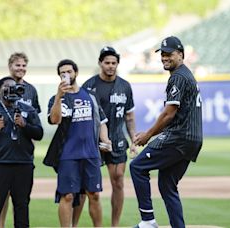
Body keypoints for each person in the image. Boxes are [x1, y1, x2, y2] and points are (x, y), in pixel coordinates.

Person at [130, 36, 203, 228]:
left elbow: (169, 114)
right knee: (167, 185)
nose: (164, 57)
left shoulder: (178, 77)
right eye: (162, 54)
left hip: (179, 137)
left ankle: (148, 221)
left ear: (180, 54)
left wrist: (147, 135)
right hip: (192, 139)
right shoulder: (186, 74)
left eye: (168, 54)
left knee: (137, 167)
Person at [43, 59, 112, 227]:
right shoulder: (56, 98)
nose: (66, 75)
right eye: (62, 73)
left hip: (91, 154)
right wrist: (59, 96)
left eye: (69, 71)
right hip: (68, 155)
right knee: (67, 196)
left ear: (76, 72)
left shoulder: (90, 95)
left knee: (94, 194)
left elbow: (101, 121)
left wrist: (106, 140)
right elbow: (54, 119)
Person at [0, 76, 43, 228]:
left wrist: (25, 125)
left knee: (22, 206)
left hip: (23, 164)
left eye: (14, 87)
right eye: (7, 87)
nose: (11, 90)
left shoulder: (28, 109)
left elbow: (39, 134)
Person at [80, 46, 137, 226]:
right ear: (100, 63)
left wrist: (133, 139)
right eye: (107, 63)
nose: (111, 66)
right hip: (92, 140)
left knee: (118, 181)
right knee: (84, 186)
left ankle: (115, 225)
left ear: (117, 64)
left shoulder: (125, 86)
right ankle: (73, 224)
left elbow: (129, 116)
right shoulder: (88, 86)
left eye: (114, 63)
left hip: (117, 140)